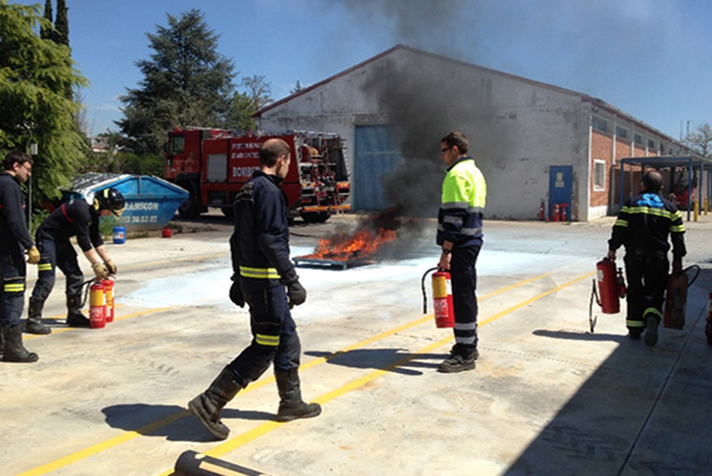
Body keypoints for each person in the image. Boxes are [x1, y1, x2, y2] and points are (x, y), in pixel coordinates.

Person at [188, 138, 320, 441]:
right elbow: (271, 241)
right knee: (265, 346)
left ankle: (291, 403)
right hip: (266, 284)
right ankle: (210, 403)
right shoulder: (270, 192)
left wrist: (237, 279)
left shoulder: (247, 189)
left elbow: (237, 241)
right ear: (283, 160)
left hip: (254, 281)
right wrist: (292, 280)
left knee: (288, 340)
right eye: (290, 162)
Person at [24, 187, 124, 333]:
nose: (108, 214)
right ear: (101, 204)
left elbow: (96, 239)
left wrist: (108, 260)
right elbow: (84, 241)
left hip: (61, 240)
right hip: (47, 239)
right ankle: (33, 320)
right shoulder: (81, 210)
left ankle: (74, 315)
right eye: (109, 211)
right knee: (47, 279)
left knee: (75, 275)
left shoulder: (92, 215)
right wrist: (96, 264)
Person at [608, 169, 686, 347]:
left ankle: (635, 330)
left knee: (635, 290)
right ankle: (651, 316)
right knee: (655, 290)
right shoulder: (670, 207)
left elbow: (620, 228)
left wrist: (612, 248)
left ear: (642, 185)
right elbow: (678, 237)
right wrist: (678, 260)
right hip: (658, 257)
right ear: (662, 187)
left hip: (634, 256)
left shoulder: (631, 203)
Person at [436, 131, 487, 373]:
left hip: (461, 244)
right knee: (467, 293)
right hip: (472, 240)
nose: (442, 156)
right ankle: (468, 344)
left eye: (444, 150)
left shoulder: (456, 175)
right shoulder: (475, 172)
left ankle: (465, 353)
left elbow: (454, 216)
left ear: (455, 149)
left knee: (463, 295)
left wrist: (447, 250)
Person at [0, 150, 41, 362]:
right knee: (13, 296)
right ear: (16, 166)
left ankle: (2, 344)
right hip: (8, 254)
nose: (29, 174)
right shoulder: (9, 186)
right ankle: (13, 349)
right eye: (28, 169)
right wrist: (29, 245)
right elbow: (15, 219)